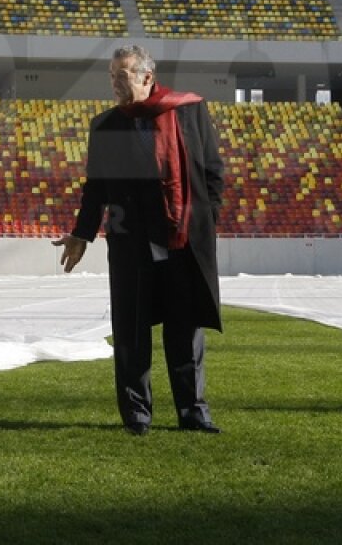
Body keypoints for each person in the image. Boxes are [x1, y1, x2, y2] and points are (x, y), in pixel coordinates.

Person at [53, 44, 225, 436]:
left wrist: (204, 220)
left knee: (185, 329)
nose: (116, 82)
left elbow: (212, 171)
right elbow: (95, 189)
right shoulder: (106, 125)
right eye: (112, 75)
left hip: (182, 242)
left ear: (148, 76)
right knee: (131, 332)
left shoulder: (189, 110)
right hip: (131, 243)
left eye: (123, 74)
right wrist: (82, 234)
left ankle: (192, 411)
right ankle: (136, 413)